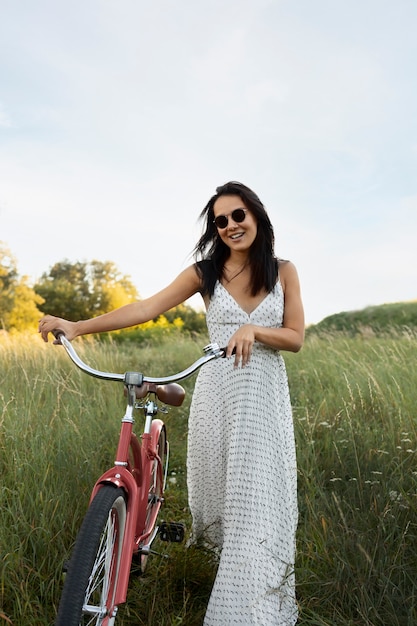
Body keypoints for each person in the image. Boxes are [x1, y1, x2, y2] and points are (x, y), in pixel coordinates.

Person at [39, 181, 305, 625]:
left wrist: (255, 331)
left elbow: (295, 338)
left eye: (238, 215)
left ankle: (252, 599)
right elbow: (146, 308)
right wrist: (79, 325)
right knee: (225, 497)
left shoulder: (284, 271)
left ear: (256, 215)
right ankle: (221, 569)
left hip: (262, 398)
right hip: (218, 395)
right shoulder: (205, 274)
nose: (231, 226)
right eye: (221, 221)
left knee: (258, 498)